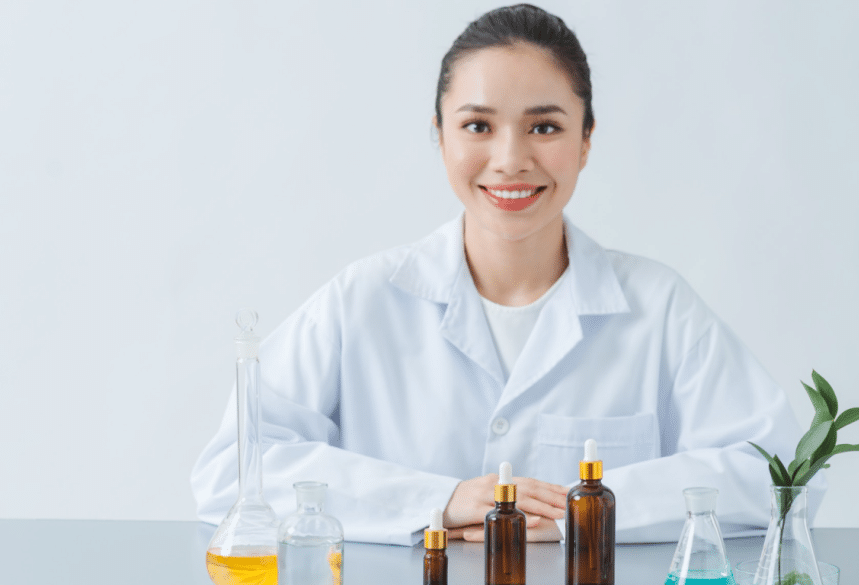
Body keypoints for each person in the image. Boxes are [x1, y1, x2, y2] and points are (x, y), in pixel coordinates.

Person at [191, 4, 821, 546]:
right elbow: (230, 475)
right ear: (439, 136)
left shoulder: (658, 307)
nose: (511, 160)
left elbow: (782, 478)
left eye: (544, 127)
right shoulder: (362, 301)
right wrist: (435, 501)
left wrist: (590, 509)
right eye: (478, 126)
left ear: (586, 140)